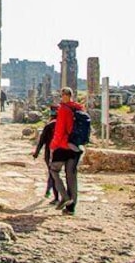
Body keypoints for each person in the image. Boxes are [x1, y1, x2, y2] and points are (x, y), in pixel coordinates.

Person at [49, 87, 85, 215]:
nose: (61, 96)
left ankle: (64, 196)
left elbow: (59, 130)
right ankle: (71, 208)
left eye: (62, 94)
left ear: (65, 95)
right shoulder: (79, 108)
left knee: (54, 170)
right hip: (76, 146)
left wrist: (53, 145)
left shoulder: (63, 109)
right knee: (71, 176)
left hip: (63, 146)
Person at [32, 108, 58, 203]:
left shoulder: (49, 126)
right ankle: (51, 193)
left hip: (49, 152)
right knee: (55, 173)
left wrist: (36, 153)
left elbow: (41, 141)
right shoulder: (61, 125)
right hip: (60, 152)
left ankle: (53, 195)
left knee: (52, 173)